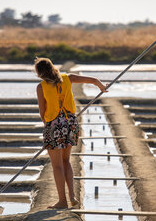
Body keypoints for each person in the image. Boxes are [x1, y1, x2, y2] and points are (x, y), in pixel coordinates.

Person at [34, 57, 107, 209]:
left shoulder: (41, 87)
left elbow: (42, 112)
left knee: (57, 166)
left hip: (53, 124)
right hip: (71, 123)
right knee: (66, 161)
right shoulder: (68, 78)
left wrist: (49, 130)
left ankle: (62, 201)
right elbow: (93, 80)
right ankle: (72, 196)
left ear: (40, 73)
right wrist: (101, 86)